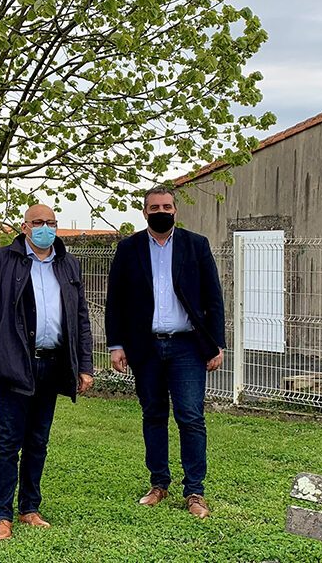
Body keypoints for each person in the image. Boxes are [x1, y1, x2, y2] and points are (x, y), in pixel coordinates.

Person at [0, 204, 95, 540]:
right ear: (25, 227)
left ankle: (29, 508)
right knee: (7, 443)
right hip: (14, 366)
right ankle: (2, 515)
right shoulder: (3, 259)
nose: (45, 228)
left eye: (51, 223)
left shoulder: (67, 263)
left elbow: (80, 317)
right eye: (38, 222)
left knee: (38, 442)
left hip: (53, 364)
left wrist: (84, 365)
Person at [105, 185, 225, 518]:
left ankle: (195, 491)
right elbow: (115, 301)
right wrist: (116, 345)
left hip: (187, 346)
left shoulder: (195, 245)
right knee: (153, 415)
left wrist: (217, 344)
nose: (162, 211)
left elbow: (213, 297)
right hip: (145, 346)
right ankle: (158, 483)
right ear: (144, 213)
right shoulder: (128, 249)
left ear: (176, 211)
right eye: (154, 207)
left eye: (167, 206)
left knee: (190, 416)